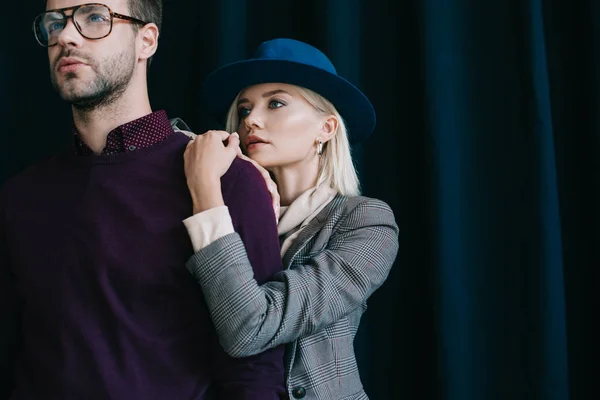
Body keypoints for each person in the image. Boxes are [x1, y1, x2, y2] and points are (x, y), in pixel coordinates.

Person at [0, 1, 286, 399]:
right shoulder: (19, 197)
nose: (65, 36)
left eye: (94, 18)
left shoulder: (228, 181)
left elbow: (254, 372)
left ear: (146, 40)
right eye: (55, 23)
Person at [182, 38, 400, 400]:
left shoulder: (366, 222)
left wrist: (204, 190)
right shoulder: (230, 212)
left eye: (276, 103)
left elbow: (249, 328)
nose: (251, 119)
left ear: (326, 129)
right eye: (245, 108)